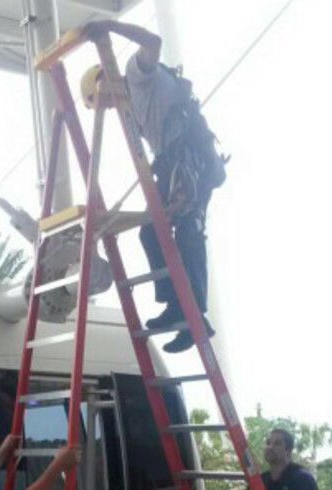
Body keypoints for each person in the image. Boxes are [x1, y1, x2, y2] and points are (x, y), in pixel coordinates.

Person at [82, 20, 221, 353]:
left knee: (188, 234)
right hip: (173, 165)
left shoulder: (136, 76)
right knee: (150, 232)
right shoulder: (134, 108)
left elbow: (153, 41)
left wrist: (108, 26)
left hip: (190, 163)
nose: (110, 108)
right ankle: (177, 305)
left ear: (106, 82)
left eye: (105, 102)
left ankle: (196, 318)